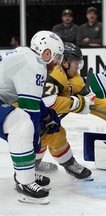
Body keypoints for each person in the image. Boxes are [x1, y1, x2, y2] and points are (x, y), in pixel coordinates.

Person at [37, 42, 106, 176]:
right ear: (65, 62)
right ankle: (32, 167)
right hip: (29, 115)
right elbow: (47, 102)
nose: (78, 68)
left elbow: (91, 101)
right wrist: (77, 103)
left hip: (46, 118)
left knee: (53, 133)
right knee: (42, 135)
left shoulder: (74, 79)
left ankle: (45, 165)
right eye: (76, 64)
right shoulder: (52, 74)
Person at [0, 30, 64, 204]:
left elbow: (33, 102)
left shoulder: (27, 57)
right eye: (57, 56)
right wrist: (35, 142)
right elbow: (30, 110)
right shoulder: (34, 64)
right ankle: (25, 181)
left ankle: (24, 172)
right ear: (46, 52)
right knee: (22, 125)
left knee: (20, 123)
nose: (58, 62)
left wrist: (48, 115)